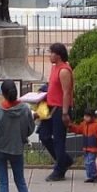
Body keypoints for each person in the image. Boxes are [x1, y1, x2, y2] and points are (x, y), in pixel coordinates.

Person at [38, 42, 74, 181]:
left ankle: (59, 170)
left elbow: (66, 93)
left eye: (51, 53)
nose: (50, 55)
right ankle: (64, 160)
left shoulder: (64, 70)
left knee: (59, 140)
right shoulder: (54, 68)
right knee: (44, 135)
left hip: (60, 109)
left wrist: (65, 113)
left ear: (58, 55)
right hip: (50, 107)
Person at [68, 107, 97, 183]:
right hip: (86, 148)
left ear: (92, 117)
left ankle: (94, 175)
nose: (85, 118)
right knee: (87, 163)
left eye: (87, 116)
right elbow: (78, 129)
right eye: (85, 116)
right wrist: (71, 127)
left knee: (90, 162)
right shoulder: (84, 124)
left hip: (94, 148)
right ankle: (91, 176)